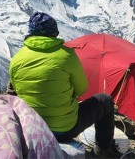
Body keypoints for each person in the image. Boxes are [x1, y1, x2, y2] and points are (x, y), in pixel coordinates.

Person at [9, 12, 121, 158]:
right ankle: (104, 151)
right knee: (105, 101)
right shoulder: (67, 55)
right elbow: (82, 88)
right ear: (55, 33)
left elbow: (17, 91)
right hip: (66, 129)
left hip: (33, 128)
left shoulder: (17, 59)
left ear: (31, 33)